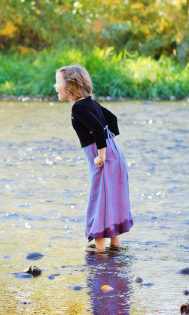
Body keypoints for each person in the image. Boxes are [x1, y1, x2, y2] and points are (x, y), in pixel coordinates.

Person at [55, 64, 133, 252]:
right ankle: (115, 245)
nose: (55, 87)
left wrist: (101, 155)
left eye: (57, 83)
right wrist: (110, 143)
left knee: (100, 198)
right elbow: (111, 120)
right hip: (114, 153)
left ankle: (99, 251)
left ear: (70, 86)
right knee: (111, 197)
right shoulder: (90, 103)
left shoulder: (78, 108)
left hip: (103, 157)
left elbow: (98, 128)